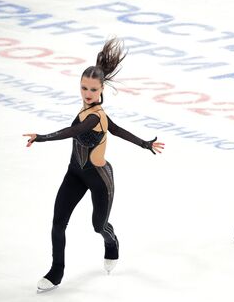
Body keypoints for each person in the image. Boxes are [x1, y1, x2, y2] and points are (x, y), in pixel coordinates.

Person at [23, 38, 165, 292]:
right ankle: (56, 271)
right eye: (83, 88)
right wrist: (144, 143)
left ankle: (111, 242)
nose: (87, 93)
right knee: (58, 222)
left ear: (101, 91)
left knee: (98, 225)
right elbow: (116, 129)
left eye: (92, 90)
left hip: (99, 178)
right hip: (75, 172)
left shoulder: (94, 116)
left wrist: (42, 137)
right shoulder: (90, 110)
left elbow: (74, 130)